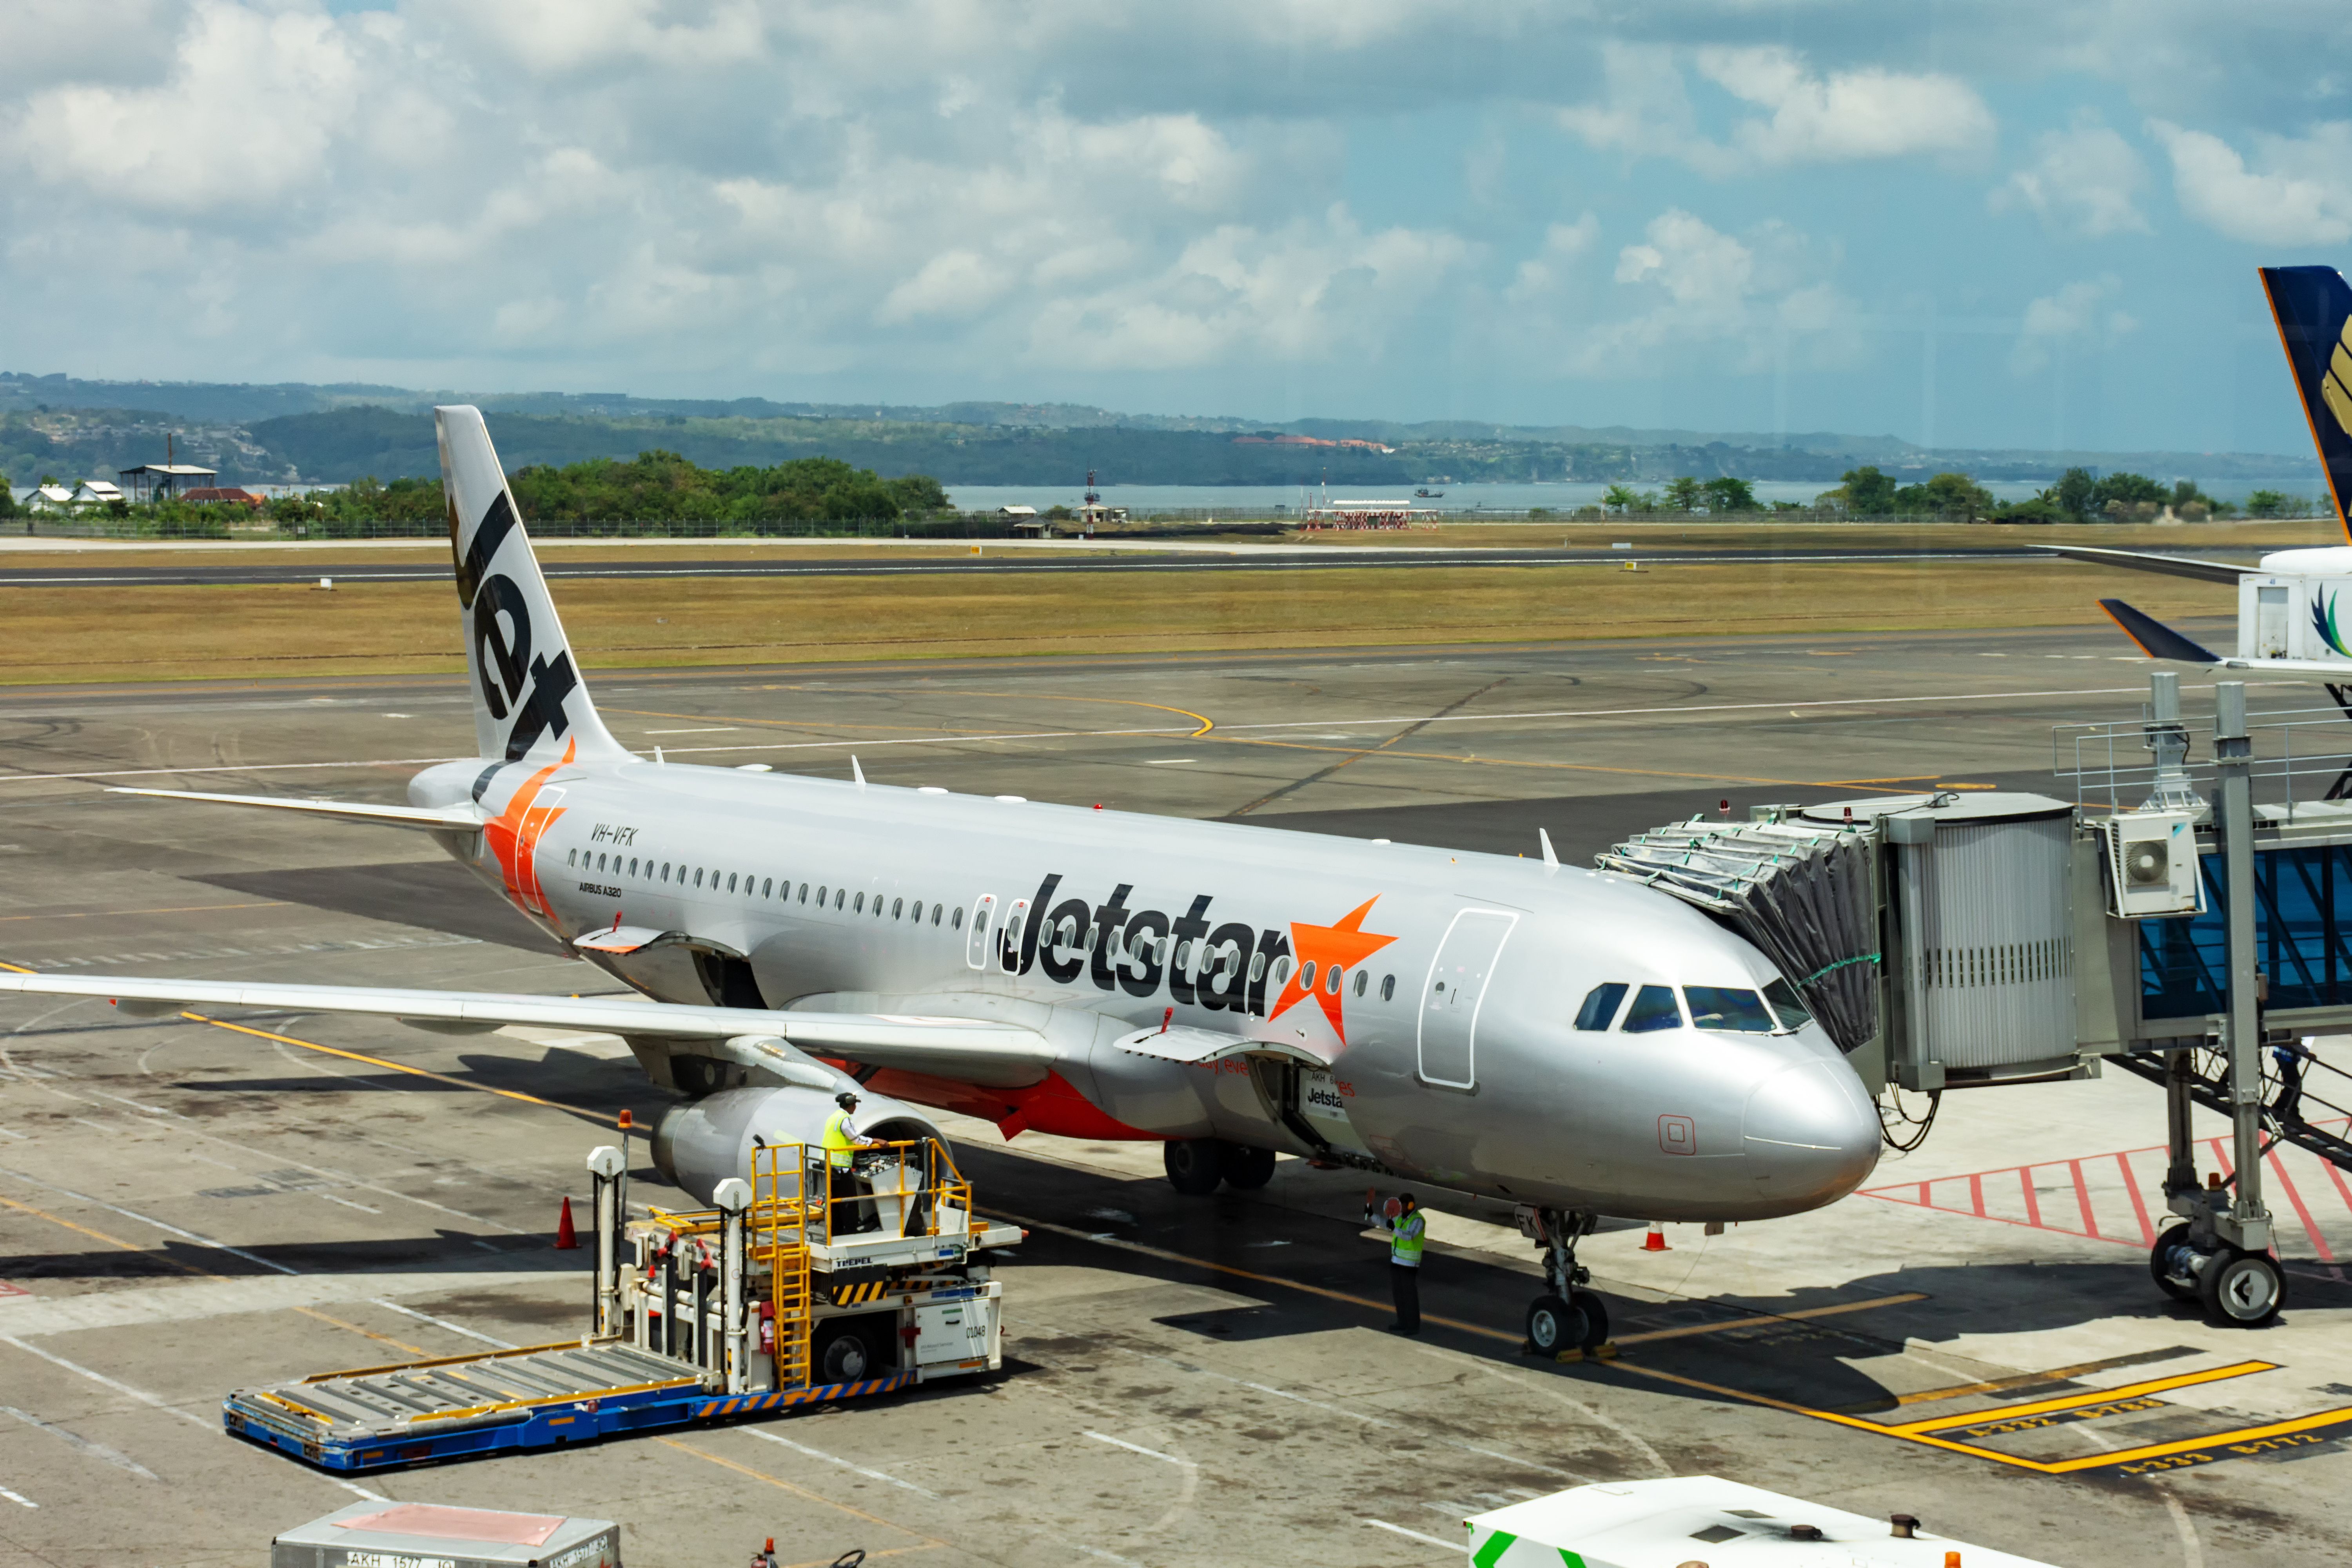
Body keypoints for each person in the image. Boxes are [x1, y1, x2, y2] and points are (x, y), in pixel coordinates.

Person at [820, 1090, 882, 1233]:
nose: (856, 1108)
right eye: (855, 1105)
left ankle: (835, 1231)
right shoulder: (844, 1119)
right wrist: (876, 1140)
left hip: (829, 1164)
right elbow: (856, 1140)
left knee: (834, 1201)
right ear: (850, 1106)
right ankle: (850, 1231)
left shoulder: (833, 1117)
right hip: (841, 1168)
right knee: (849, 1202)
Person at [1366, 1189, 1425, 1336]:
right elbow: (1386, 1224)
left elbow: (1409, 1236)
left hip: (1409, 1265)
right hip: (1396, 1261)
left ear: (1411, 1206)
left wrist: (1395, 1228)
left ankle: (1413, 1326)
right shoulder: (1399, 1217)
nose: (1401, 1209)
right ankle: (1402, 1322)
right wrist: (1372, 1214)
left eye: (1403, 1206)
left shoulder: (1418, 1220)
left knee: (1410, 1296)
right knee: (1398, 1294)